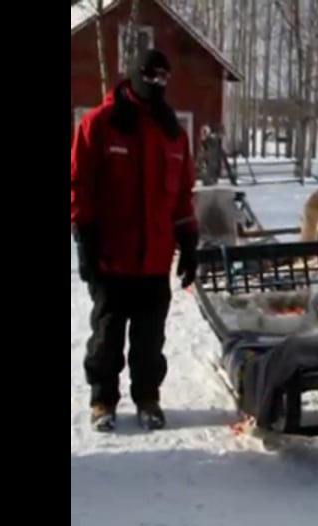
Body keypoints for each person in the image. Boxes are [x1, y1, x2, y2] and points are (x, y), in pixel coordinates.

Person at [70, 49, 199, 432]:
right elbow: (79, 185)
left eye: (164, 79)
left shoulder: (173, 134)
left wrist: (189, 241)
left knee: (149, 340)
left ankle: (148, 398)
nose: (157, 85)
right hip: (111, 258)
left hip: (155, 259)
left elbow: (181, 196)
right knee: (107, 337)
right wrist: (84, 238)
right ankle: (102, 400)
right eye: (151, 77)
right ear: (134, 76)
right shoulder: (101, 124)